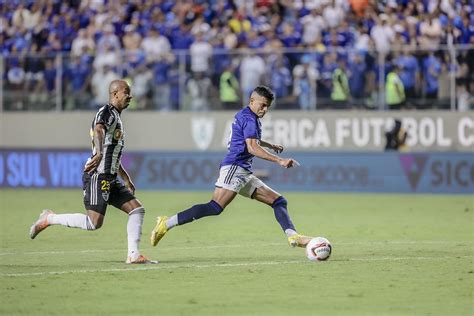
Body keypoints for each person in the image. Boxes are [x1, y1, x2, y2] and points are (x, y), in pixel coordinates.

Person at [150, 86, 312, 249]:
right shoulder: (249, 119)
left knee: (278, 201)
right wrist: (279, 160)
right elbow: (252, 148)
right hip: (235, 167)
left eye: (268, 106)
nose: (265, 109)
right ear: (251, 101)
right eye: (262, 105)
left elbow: (248, 138)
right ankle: (166, 223)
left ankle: (294, 236)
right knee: (215, 207)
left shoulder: (247, 116)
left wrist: (270, 145)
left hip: (243, 172)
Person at [29, 80, 157, 264]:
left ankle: (134, 255)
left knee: (137, 210)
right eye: (126, 93)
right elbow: (99, 129)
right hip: (98, 176)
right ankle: (49, 218)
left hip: (110, 177)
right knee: (93, 223)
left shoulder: (117, 118)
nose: (130, 96)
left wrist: (125, 178)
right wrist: (99, 152)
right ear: (114, 94)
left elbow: (112, 153)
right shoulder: (107, 112)